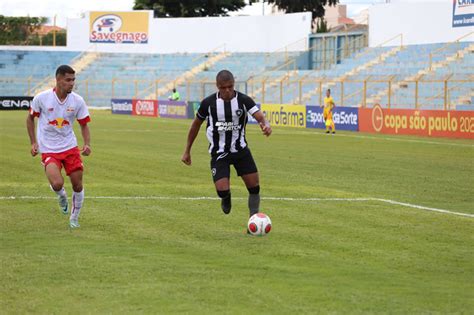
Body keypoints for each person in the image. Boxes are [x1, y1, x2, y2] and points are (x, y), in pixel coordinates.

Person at [181, 70, 272, 223]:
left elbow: (260, 116)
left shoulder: (244, 100)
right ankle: (226, 197)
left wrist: (266, 125)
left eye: (230, 86)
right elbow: (195, 126)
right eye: (224, 88)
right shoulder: (208, 103)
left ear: (233, 84)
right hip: (219, 152)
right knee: (222, 190)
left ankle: (253, 221)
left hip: (241, 150)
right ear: (218, 86)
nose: (228, 90)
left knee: (254, 187)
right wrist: (187, 151)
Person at [26, 65, 91, 228]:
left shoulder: (77, 101)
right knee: (57, 184)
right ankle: (61, 196)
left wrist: (87, 144)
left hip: (70, 148)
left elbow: (84, 124)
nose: (71, 83)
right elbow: (30, 119)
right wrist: (33, 142)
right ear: (58, 80)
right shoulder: (42, 98)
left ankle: (74, 218)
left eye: (73, 80)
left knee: (77, 184)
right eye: (68, 80)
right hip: (48, 149)